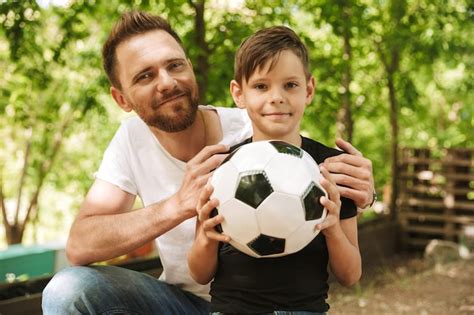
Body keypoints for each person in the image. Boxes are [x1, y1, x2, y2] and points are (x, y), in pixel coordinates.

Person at [42, 11, 373, 315]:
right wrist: (177, 206)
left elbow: (312, 170)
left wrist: (363, 194)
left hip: (284, 303)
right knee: (68, 290)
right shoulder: (131, 140)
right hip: (185, 302)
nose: (167, 82)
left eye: (174, 65)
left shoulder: (259, 130)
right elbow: (80, 245)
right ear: (121, 98)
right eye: (145, 76)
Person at [188, 26, 361, 314]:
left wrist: (332, 230)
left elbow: (351, 275)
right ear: (238, 93)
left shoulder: (333, 169)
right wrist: (206, 236)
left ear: (309, 90)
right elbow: (199, 274)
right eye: (261, 86)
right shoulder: (221, 168)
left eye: (290, 85)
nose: (276, 97)